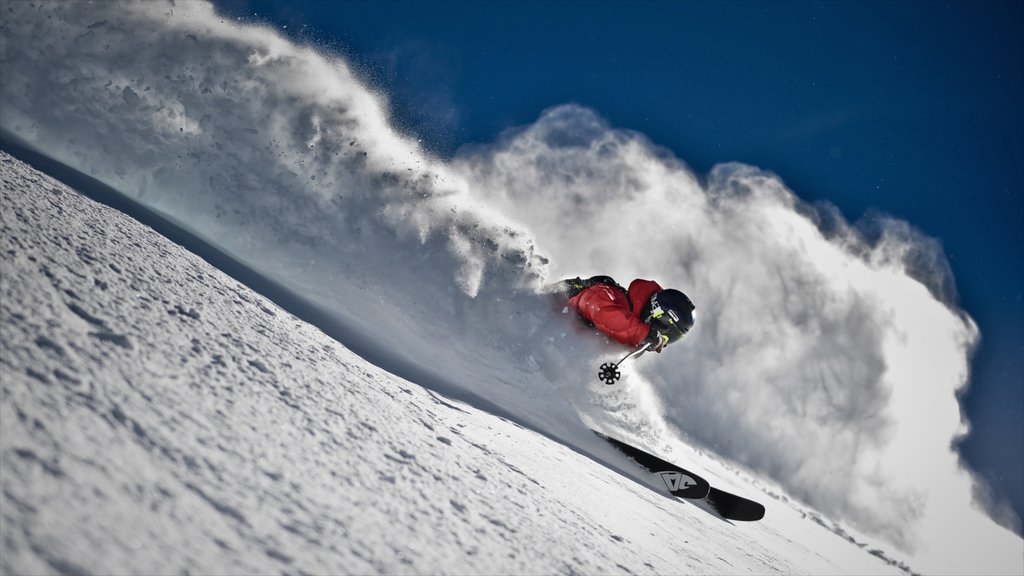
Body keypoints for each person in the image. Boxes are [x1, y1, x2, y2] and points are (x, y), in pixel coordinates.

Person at [553, 275, 696, 354]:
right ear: (656, 316)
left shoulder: (630, 341)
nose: (660, 345)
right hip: (546, 321)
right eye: (663, 337)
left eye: (667, 341)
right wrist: (644, 333)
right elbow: (600, 310)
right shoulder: (612, 294)